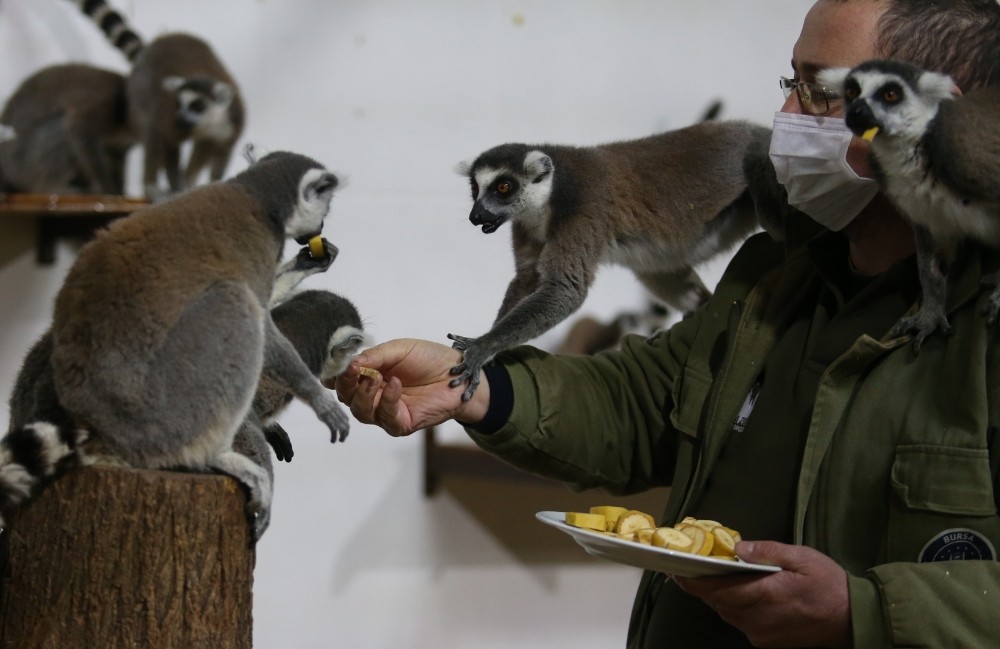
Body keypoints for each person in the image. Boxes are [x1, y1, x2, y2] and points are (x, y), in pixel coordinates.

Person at [334, 1, 1000, 646]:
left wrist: (867, 613)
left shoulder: (979, 322)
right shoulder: (773, 275)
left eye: (823, 95)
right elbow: (636, 403)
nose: (787, 118)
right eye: (790, 85)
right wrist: (473, 386)